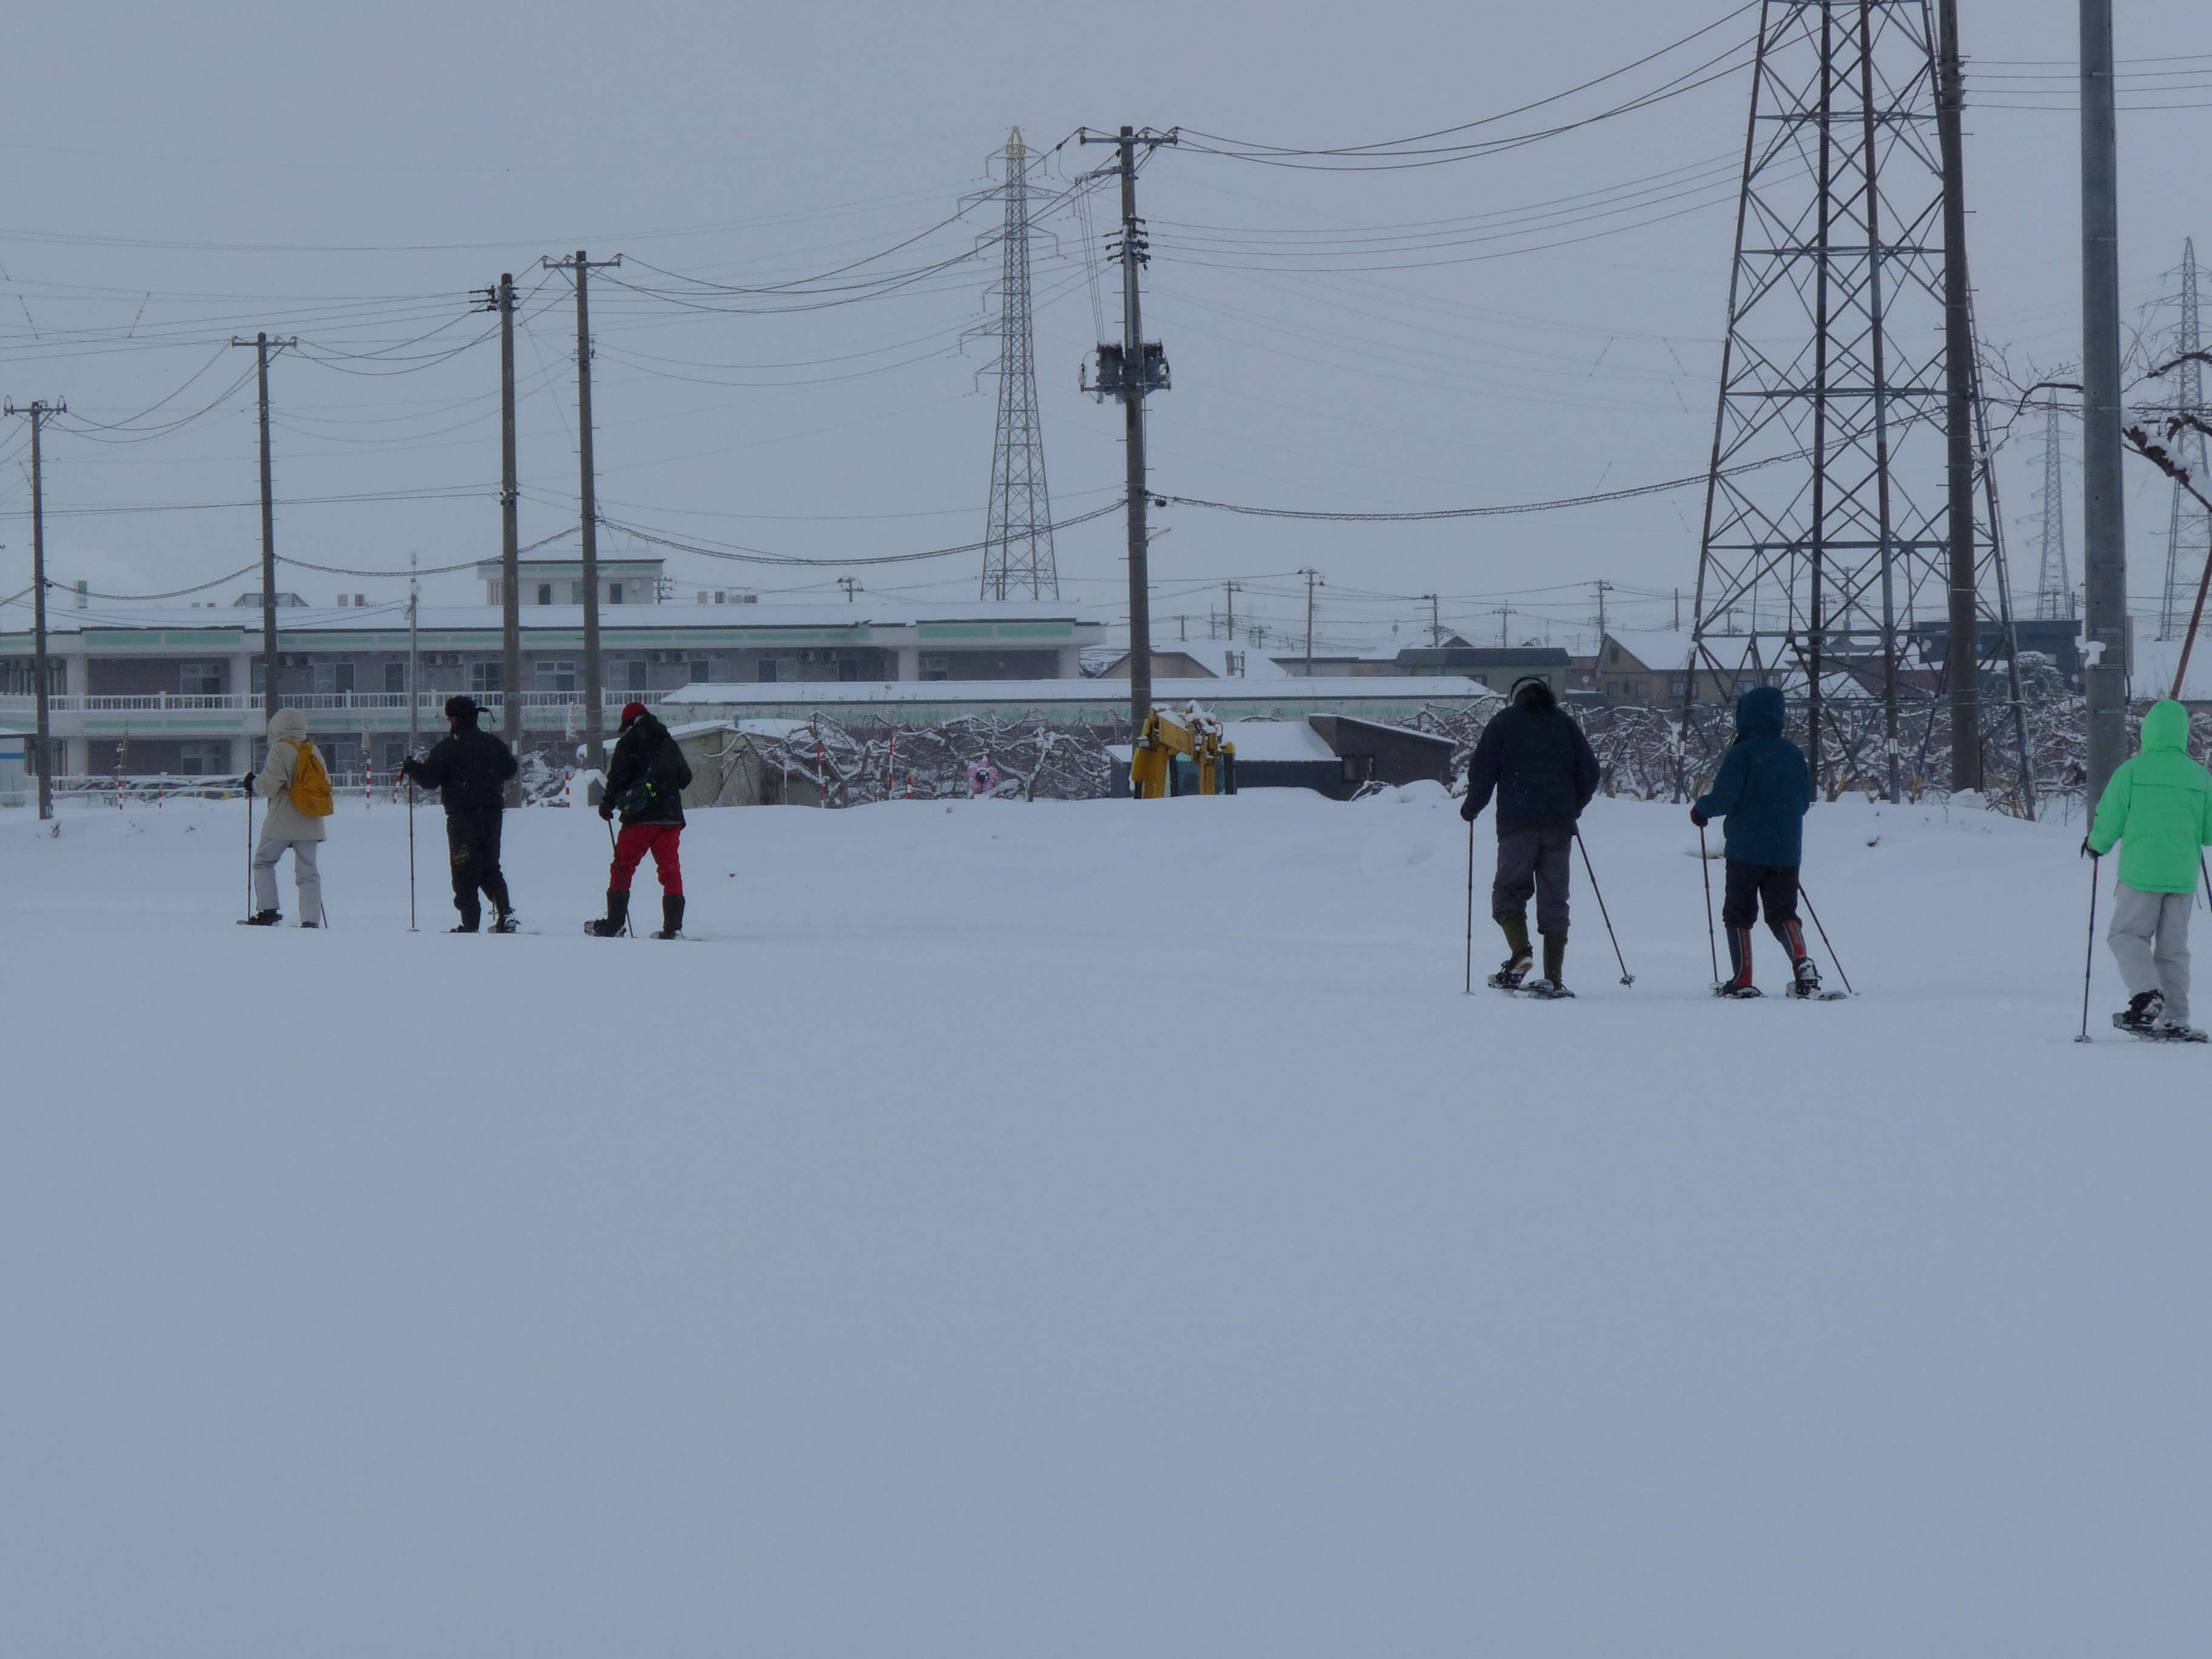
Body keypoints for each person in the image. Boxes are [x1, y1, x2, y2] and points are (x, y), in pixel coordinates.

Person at [1461, 675, 1601, 996]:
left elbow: (1483, 772)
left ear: (1516, 696)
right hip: (1558, 827)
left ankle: (1521, 953)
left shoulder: (1503, 723)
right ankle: (1553, 976)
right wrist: (1572, 807)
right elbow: (1591, 773)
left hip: (1516, 825)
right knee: (1555, 898)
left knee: (1509, 891)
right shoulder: (1564, 724)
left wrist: (1472, 808)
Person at [2085, 697, 2212, 1041]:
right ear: (2183, 734)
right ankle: (2176, 1017)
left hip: (2141, 874)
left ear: (2148, 733)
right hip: (2183, 878)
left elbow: (2109, 819)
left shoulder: (2132, 771)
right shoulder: (2200, 776)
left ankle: (2146, 996)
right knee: (2173, 949)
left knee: (2126, 935)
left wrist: (2097, 845)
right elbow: (2209, 832)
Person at [1691, 684, 1818, 997]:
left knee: (1738, 913)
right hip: (1786, 851)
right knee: (1783, 912)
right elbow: (1803, 803)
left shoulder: (1742, 752)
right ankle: (1802, 960)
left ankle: (1743, 978)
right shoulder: (1793, 753)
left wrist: (1701, 810)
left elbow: (1724, 798)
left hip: (1746, 850)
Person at [401, 694, 521, 933]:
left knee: (464, 866)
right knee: (489, 865)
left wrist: (412, 768)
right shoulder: (492, 743)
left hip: (462, 817)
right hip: (492, 813)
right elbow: (510, 769)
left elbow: (430, 780)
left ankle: (470, 923)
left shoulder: (447, 748)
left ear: (453, 719)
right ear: (475, 717)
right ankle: (506, 912)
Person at [589, 700, 693, 939]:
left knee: (622, 868)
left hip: (641, 818)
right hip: (671, 819)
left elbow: (616, 778)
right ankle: (673, 929)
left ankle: (614, 925)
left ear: (629, 723)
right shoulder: (668, 740)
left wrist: (607, 804)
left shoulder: (629, 742)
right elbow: (685, 778)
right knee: (670, 871)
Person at [241, 706, 332, 926]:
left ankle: (268, 911)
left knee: (264, 862)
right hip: (311, 818)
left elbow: (269, 786)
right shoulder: (313, 750)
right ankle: (310, 921)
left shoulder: (280, 749)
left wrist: (252, 783)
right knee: (308, 872)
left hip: (282, 820)